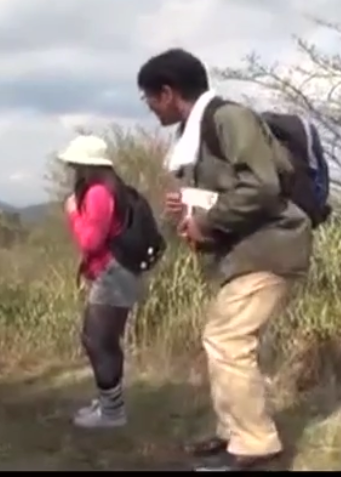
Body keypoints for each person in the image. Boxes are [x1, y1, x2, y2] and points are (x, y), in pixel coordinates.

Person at [137, 48, 313, 471]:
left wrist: (206, 221)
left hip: (269, 248)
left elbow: (262, 188)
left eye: (149, 97)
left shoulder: (229, 119)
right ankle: (232, 432)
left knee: (228, 340)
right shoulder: (197, 130)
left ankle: (255, 444)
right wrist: (191, 203)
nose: (149, 107)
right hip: (246, 252)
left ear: (168, 92)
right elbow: (232, 189)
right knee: (221, 338)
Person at [57, 134, 144, 429]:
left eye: (75, 164)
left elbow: (90, 241)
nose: (73, 170)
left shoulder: (97, 193)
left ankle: (112, 412)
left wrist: (73, 213)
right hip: (119, 271)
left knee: (96, 340)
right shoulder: (114, 188)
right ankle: (110, 404)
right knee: (105, 340)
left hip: (112, 273)